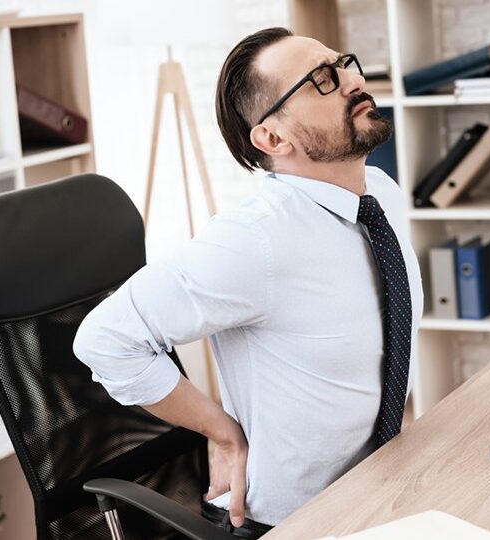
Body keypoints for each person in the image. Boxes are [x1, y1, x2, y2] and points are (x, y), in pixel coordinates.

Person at [73, 27, 423, 539]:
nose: (351, 80)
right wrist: (222, 431)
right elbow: (105, 339)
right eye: (321, 80)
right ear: (272, 138)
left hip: (378, 488)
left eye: (344, 63)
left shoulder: (381, 196)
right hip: (296, 522)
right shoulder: (253, 241)